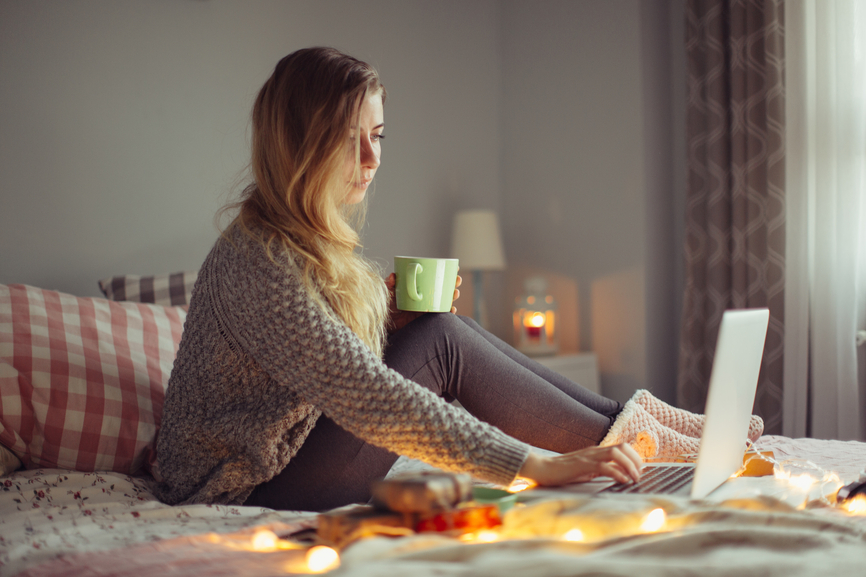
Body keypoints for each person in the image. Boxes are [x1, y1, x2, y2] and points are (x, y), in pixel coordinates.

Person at [153, 47, 761, 512]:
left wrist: (387, 321)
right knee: (442, 343)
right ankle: (649, 440)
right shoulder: (256, 263)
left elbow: (313, 366)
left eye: (378, 136)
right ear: (297, 145)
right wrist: (531, 467)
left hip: (287, 459)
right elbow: (368, 395)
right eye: (348, 139)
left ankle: (647, 426)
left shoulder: (300, 241)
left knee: (441, 326)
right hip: (240, 491)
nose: (372, 159)